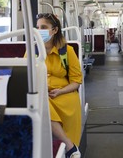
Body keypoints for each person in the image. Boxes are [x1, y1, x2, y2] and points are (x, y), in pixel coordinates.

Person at [36, 13, 82, 158]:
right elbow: (26, 74)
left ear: (55, 30)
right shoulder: (33, 51)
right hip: (41, 93)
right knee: (41, 102)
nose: (39, 31)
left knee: (42, 103)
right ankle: (69, 145)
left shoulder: (67, 51)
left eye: (44, 27)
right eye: (37, 27)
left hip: (64, 94)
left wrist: (60, 92)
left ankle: (68, 146)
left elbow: (76, 82)